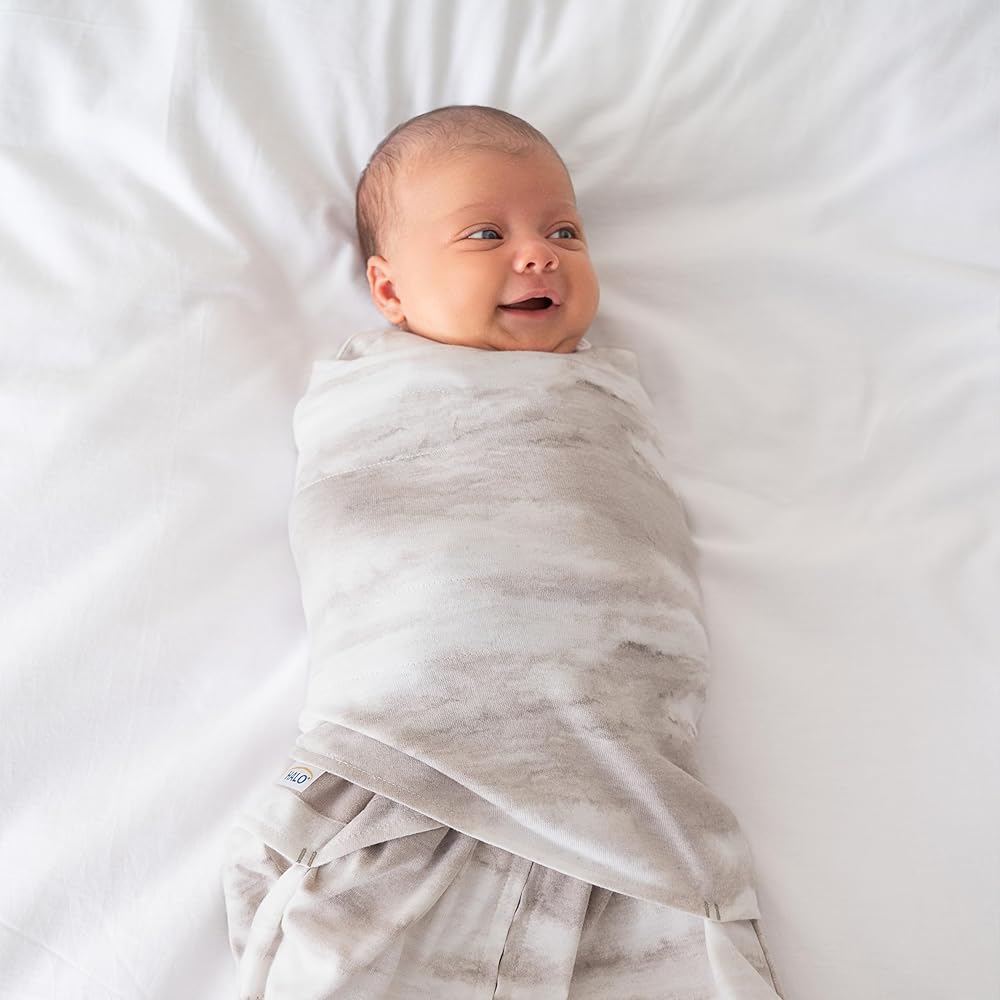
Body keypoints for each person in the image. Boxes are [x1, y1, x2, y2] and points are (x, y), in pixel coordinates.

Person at [221, 105, 785, 999]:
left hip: (624, 785)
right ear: (391, 291)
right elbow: (356, 524)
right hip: (408, 764)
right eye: (486, 234)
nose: (539, 255)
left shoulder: (604, 395)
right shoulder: (372, 399)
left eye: (564, 232)